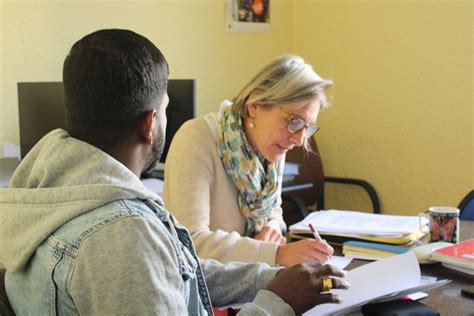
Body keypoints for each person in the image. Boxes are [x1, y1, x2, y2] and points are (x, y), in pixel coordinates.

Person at [0, 29, 349, 315]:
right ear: (150, 124)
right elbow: (154, 265)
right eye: (167, 108)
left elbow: (176, 272)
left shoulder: (49, 193)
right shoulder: (126, 235)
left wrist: (268, 278)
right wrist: (277, 303)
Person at [163, 54, 334, 267]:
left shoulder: (270, 147)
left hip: (253, 277)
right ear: (255, 105)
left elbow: (274, 210)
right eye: (295, 121)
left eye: (307, 127)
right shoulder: (195, 138)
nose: (299, 140)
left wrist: (272, 227)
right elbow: (191, 242)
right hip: (208, 288)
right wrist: (274, 253)